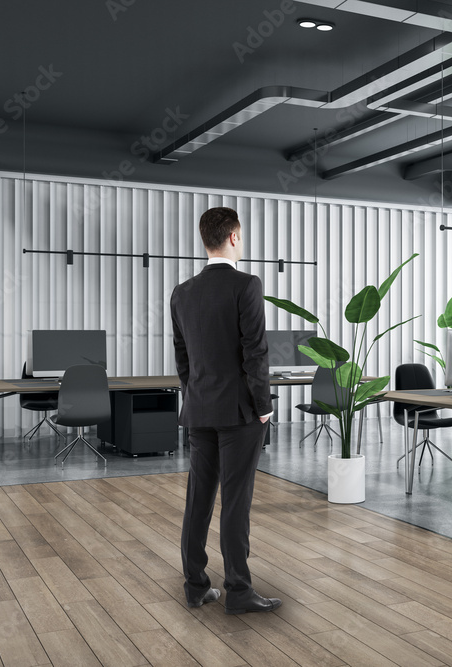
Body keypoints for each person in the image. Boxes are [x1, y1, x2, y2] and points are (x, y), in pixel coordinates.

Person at [170, 206, 281, 614]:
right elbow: (256, 352)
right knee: (236, 500)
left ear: (205, 240)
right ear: (234, 237)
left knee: (198, 500)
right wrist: (263, 406)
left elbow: (182, 359)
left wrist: (194, 395)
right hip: (239, 414)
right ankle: (238, 591)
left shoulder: (181, 292)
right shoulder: (246, 285)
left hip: (199, 410)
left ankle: (195, 586)